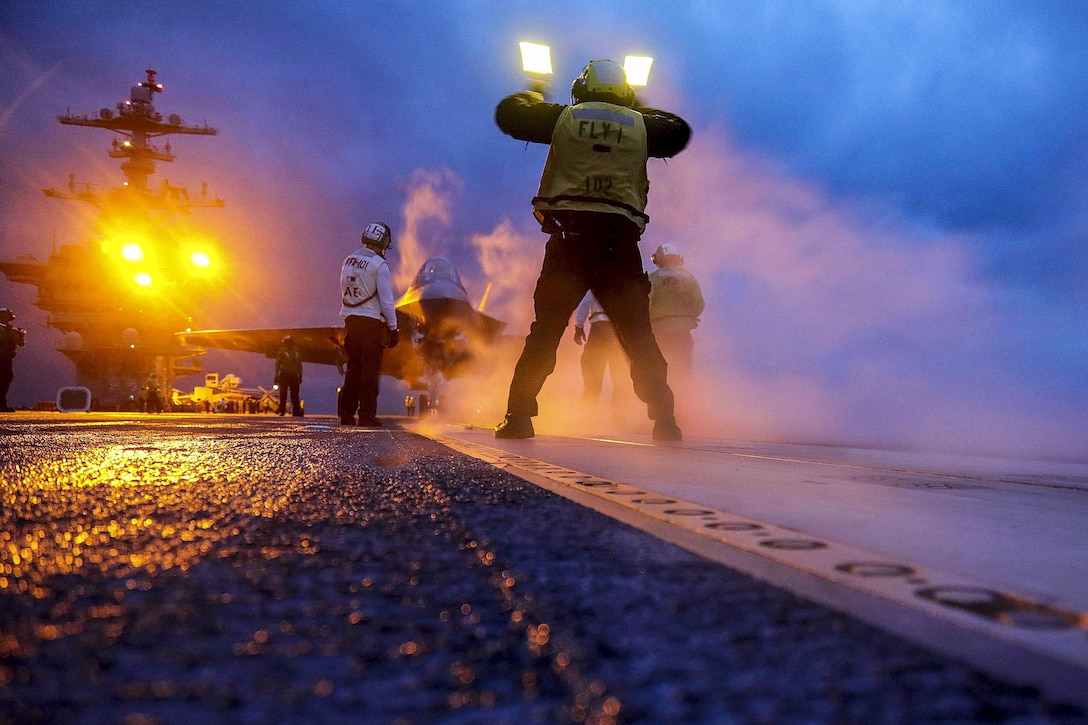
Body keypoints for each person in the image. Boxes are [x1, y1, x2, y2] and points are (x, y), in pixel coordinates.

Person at [492, 58, 691, 441]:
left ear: (582, 88)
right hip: (619, 246)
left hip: (569, 242)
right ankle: (665, 421)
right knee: (638, 337)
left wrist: (535, 86)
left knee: (545, 333)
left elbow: (510, 116)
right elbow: (678, 132)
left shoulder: (564, 118)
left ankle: (518, 416)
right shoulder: (640, 126)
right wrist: (638, 108)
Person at [339, 221, 399, 427]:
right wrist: (393, 328)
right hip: (372, 324)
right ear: (383, 242)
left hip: (351, 322)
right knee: (370, 373)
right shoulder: (379, 265)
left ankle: (346, 415)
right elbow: (386, 301)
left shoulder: (349, 260)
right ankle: (366, 416)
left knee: (353, 370)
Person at [648, 243, 705, 373]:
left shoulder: (652, 278)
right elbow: (699, 304)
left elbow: (646, 304)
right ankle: (683, 393)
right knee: (683, 371)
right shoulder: (689, 278)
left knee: (660, 372)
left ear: (658, 259)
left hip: (659, 334)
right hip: (683, 335)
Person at [574, 291, 631, 417]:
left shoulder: (596, 285)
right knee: (620, 376)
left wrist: (579, 327)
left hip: (598, 331)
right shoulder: (624, 285)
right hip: (619, 332)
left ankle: (588, 414)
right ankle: (619, 417)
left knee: (593, 374)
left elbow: (584, 304)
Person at [0, 308, 26, 412]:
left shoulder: (10, 330)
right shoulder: (8, 330)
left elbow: (20, 343)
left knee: (6, 379)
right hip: (3, 358)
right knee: (5, 379)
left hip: (6, 358)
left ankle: (2, 403)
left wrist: (21, 336)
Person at [274, 335, 304, 417]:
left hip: (285, 375)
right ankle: (295, 410)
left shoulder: (282, 351)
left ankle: (283, 410)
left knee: (284, 393)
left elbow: (278, 364)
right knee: (294, 394)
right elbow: (299, 365)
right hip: (292, 375)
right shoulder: (296, 352)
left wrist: (276, 375)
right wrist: (300, 375)